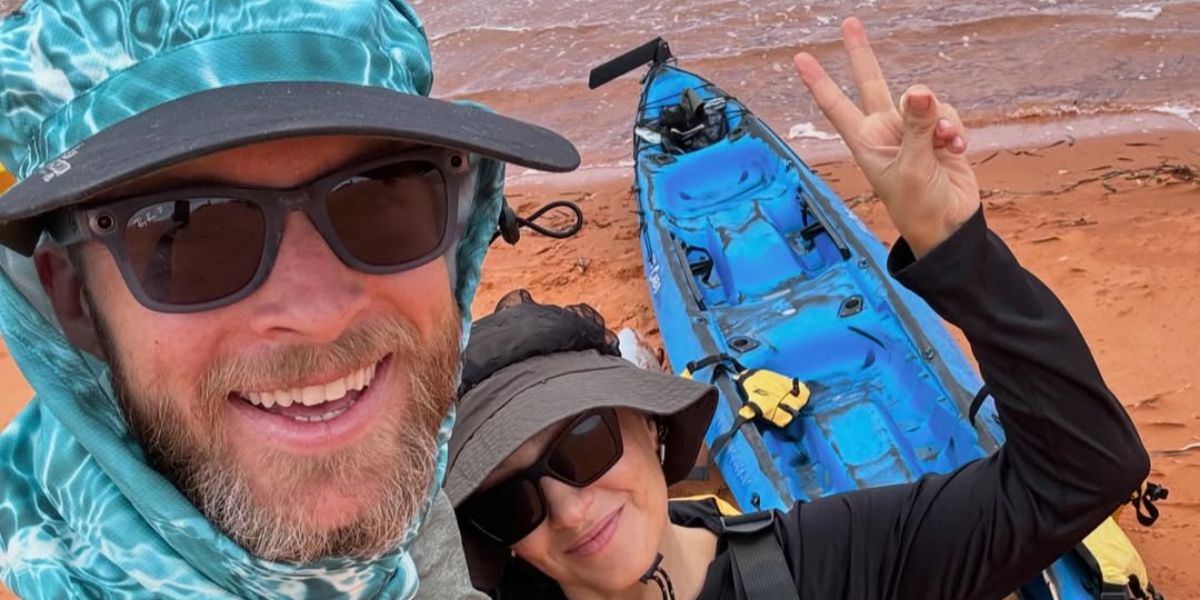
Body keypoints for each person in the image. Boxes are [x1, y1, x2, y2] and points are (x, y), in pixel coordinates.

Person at [445, 18, 1151, 600]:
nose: (569, 512)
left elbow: (1084, 472)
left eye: (583, 444)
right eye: (510, 503)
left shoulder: (829, 565)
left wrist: (957, 251)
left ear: (649, 426)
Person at [0, 1, 577, 598]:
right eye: (191, 230)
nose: (320, 317)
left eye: (378, 192)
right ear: (74, 301)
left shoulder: (414, 487)